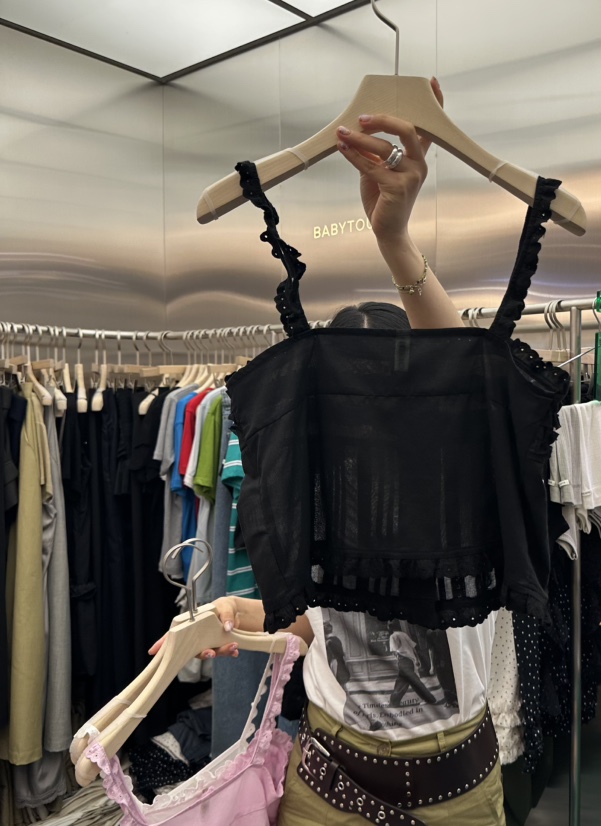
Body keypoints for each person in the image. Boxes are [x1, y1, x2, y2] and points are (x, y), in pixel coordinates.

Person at [152, 78, 507, 825]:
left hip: (456, 794)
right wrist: (238, 616)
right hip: (325, 786)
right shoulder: (323, 498)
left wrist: (395, 240)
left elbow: (467, 386)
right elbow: (318, 623)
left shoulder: (464, 488)